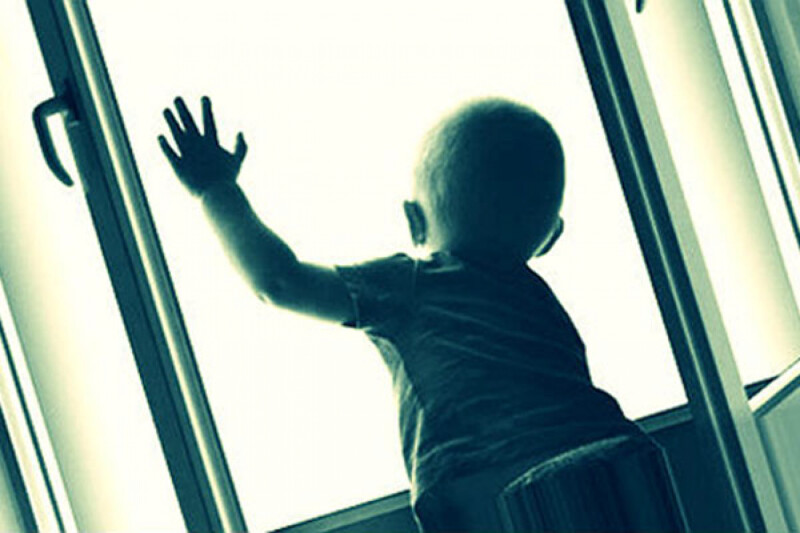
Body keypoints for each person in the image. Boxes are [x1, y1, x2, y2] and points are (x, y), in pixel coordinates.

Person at [159, 96, 652, 532]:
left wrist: (215, 191)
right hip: (616, 456)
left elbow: (280, 281)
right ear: (551, 235)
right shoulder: (538, 302)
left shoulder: (410, 283)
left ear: (414, 221)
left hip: (488, 478)